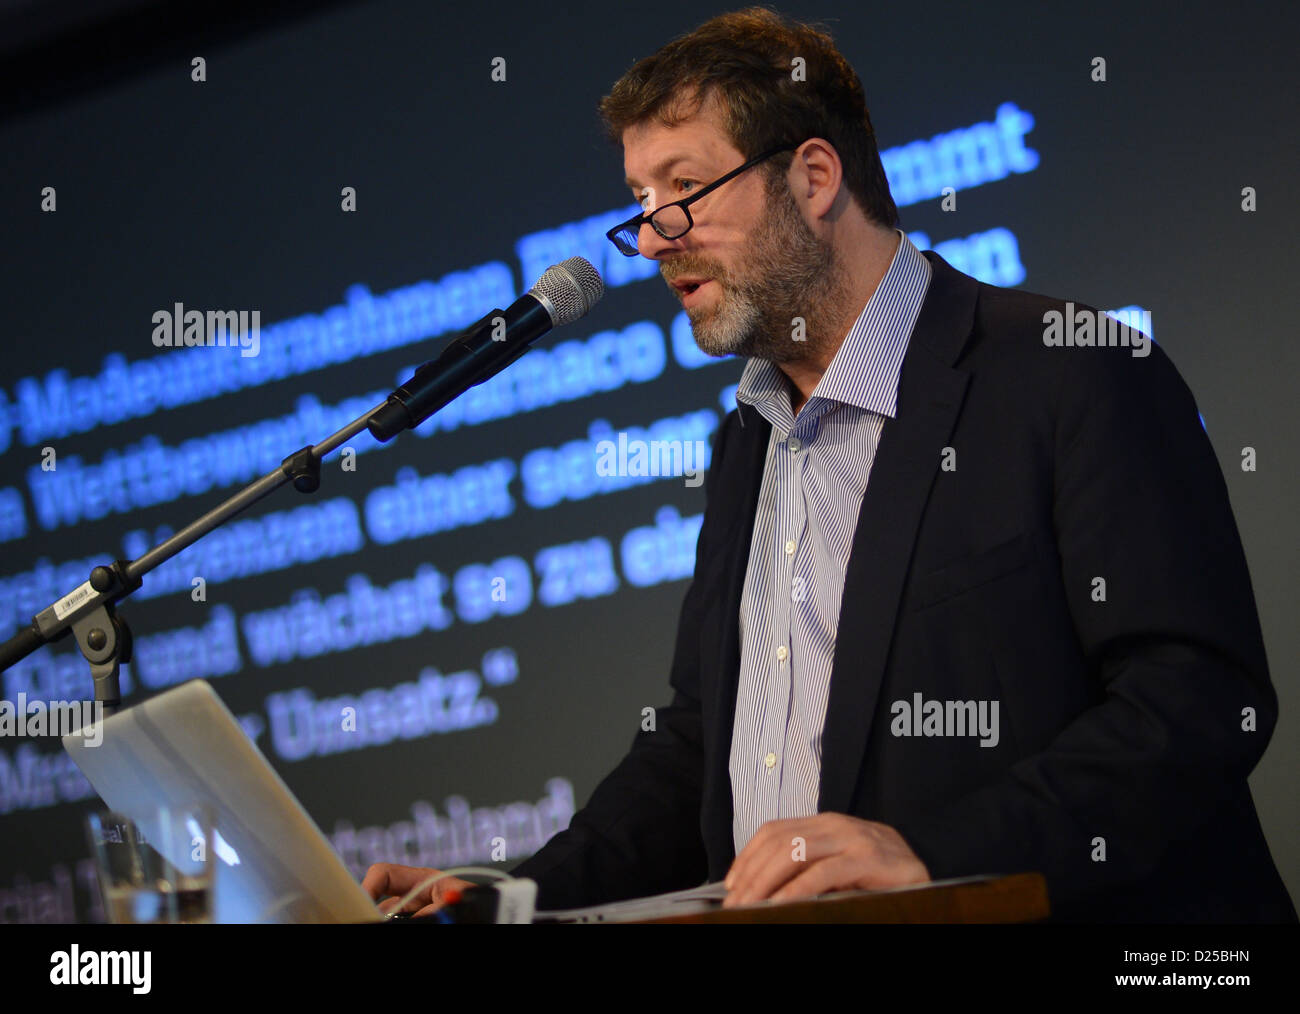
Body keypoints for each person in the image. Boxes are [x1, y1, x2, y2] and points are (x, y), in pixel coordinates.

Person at [365, 7, 1295, 922]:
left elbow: (1198, 702)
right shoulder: (748, 440)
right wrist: (515, 898)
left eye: (681, 190)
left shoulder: (1069, 371)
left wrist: (935, 859)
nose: (651, 239)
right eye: (641, 206)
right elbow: (699, 748)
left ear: (813, 177)